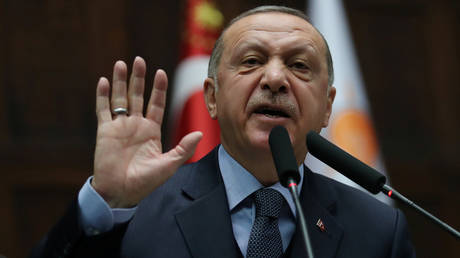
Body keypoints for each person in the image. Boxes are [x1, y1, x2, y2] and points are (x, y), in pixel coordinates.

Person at [30, 6, 416, 258]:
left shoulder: (379, 229)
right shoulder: (136, 212)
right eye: (252, 60)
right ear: (211, 98)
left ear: (328, 107)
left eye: (299, 66)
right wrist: (105, 201)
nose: (276, 79)